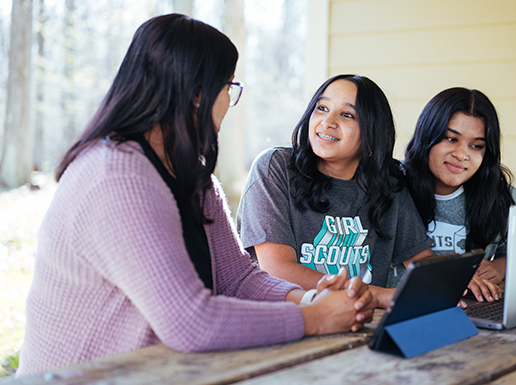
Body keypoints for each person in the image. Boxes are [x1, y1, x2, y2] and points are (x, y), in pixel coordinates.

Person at [16, 15, 374, 377]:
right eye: (227, 87)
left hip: (162, 372)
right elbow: (190, 321)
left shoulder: (191, 174)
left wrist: (309, 298)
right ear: (198, 95)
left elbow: (238, 279)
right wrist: (312, 318)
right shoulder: (115, 176)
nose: (228, 101)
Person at [236, 74, 437, 309]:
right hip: (283, 318)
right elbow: (278, 271)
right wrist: (380, 295)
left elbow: (422, 260)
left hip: (360, 320)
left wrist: (455, 280)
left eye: (347, 115)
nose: (327, 122)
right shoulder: (275, 167)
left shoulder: (389, 185)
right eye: (322, 108)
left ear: (372, 132)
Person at [387, 87, 516, 297]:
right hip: (393, 309)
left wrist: (500, 266)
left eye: (476, 145)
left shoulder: (502, 197)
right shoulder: (392, 183)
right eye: (451, 139)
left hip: (470, 311)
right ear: (427, 136)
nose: (462, 155)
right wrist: (455, 276)